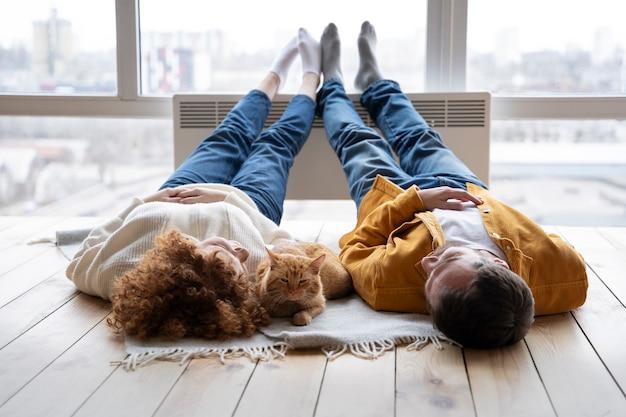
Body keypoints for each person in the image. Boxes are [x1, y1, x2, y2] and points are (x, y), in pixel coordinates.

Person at [315, 22, 588, 348]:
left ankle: (330, 83)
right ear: (497, 263)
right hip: (465, 187)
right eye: (446, 260)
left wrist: (415, 201)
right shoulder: (566, 276)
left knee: (355, 139)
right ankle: (374, 81)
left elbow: (355, 247)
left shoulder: (385, 287)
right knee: (417, 134)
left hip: (392, 198)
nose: (427, 263)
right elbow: (549, 241)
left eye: (428, 282)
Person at [66, 29, 322, 339]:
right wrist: (229, 200)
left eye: (223, 249)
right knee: (276, 144)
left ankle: (272, 78)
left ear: (184, 263)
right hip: (247, 201)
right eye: (241, 265)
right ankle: (310, 79)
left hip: (176, 192)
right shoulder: (252, 278)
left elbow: (80, 259)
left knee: (229, 134)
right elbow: (284, 241)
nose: (240, 251)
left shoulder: (122, 273)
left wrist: (146, 201)